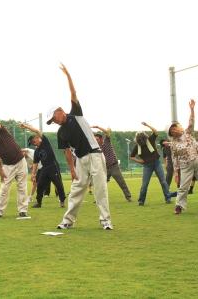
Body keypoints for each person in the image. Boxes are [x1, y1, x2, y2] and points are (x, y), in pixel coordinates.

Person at [47, 63, 113, 230]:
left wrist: (67, 74)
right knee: (76, 190)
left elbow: (73, 92)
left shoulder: (75, 113)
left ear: (60, 111)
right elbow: (67, 151)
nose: (54, 121)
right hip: (80, 160)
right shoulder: (60, 132)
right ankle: (67, 221)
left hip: (95, 155)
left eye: (54, 118)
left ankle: (106, 221)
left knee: (100, 190)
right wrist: (72, 169)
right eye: (52, 121)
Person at [168, 99, 198, 214]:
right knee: (183, 187)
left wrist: (192, 109)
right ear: (171, 134)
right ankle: (179, 206)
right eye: (172, 130)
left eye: (175, 127)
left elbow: (191, 122)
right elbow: (174, 159)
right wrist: (176, 173)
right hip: (185, 165)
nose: (175, 130)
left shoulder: (187, 132)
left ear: (178, 127)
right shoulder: (173, 143)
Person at [130, 122, 177, 206]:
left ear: (145, 138)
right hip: (147, 166)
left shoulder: (150, 140)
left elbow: (155, 132)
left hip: (157, 163)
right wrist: (140, 161)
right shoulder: (137, 146)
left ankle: (168, 198)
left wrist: (147, 125)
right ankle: (141, 201)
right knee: (145, 184)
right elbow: (132, 156)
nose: (142, 143)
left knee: (163, 181)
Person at [21, 123, 66, 208]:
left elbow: (37, 131)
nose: (34, 144)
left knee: (58, 184)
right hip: (45, 168)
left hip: (53, 166)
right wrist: (33, 174)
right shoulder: (37, 151)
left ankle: (62, 201)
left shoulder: (45, 142)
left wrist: (26, 126)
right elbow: (35, 163)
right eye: (32, 143)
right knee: (40, 184)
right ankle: (39, 203)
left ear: (37, 138)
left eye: (33, 141)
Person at [92, 126, 132, 202]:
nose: (95, 141)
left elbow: (107, 133)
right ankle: (98, 198)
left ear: (101, 139)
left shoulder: (106, 142)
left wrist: (97, 127)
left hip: (114, 166)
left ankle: (128, 196)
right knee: (101, 184)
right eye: (95, 139)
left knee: (121, 182)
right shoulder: (97, 148)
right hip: (105, 168)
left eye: (97, 139)